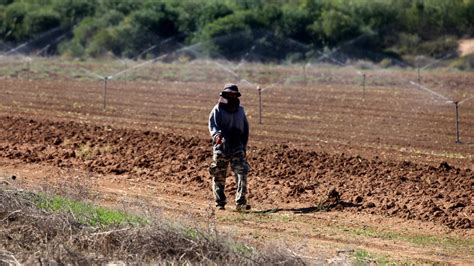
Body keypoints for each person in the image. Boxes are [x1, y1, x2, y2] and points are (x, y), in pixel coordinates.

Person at [208, 83, 250, 211]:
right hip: (222, 147)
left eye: (234, 94)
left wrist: (243, 146)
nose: (231, 96)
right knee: (219, 175)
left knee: (241, 174)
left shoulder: (241, 110)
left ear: (237, 96)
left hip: (237, 146)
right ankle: (220, 202)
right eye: (229, 94)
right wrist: (217, 136)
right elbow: (213, 127)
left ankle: (241, 203)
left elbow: (245, 130)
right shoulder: (217, 109)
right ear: (224, 95)